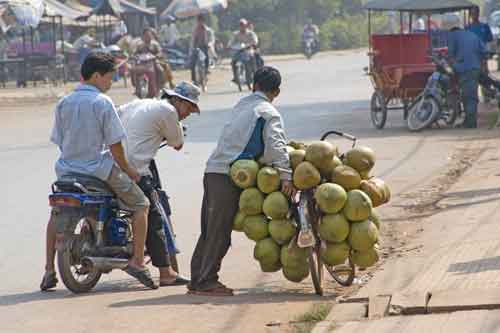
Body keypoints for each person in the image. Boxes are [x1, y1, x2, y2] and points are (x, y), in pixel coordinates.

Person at [40, 52, 156, 291]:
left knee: (55, 214)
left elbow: (60, 140)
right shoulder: (102, 102)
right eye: (110, 77)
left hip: (67, 172)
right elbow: (115, 146)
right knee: (141, 204)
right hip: (98, 171)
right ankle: (137, 262)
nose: (111, 82)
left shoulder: (64, 102)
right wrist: (130, 171)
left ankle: (49, 270)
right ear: (96, 76)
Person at [188, 66, 295, 296]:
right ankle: (205, 281)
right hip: (228, 175)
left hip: (213, 171)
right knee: (219, 232)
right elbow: (276, 145)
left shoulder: (242, 104)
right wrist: (286, 175)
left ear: (253, 85)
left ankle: (197, 279)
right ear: (276, 91)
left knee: (210, 229)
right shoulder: (268, 112)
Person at [117, 82, 201, 286]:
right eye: (189, 107)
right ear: (178, 101)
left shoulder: (139, 103)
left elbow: (116, 116)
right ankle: (165, 272)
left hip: (112, 165)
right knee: (154, 214)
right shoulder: (169, 111)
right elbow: (178, 144)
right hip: (135, 169)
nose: (188, 113)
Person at [444, 13, 487, 128]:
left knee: (468, 96)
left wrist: (453, 67)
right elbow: (484, 51)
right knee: (470, 95)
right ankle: (468, 121)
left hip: (465, 69)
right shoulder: (471, 34)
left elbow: (450, 55)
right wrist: (481, 67)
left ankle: (470, 123)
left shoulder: (452, 36)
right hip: (475, 68)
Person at [467, 6, 495, 101]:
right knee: (473, 79)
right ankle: (474, 99)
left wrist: (488, 53)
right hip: (471, 58)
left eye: (476, 13)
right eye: (472, 13)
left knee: (485, 78)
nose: (474, 15)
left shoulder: (484, 26)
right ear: (470, 15)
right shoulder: (467, 28)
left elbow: (490, 40)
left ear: (479, 14)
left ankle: (487, 97)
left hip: (482, 58)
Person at [134, 28, 174, 93]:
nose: (148, 37)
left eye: (149, 35)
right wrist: (135, 56)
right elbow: (135, 53)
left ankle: (162, 85)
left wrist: (157, 55)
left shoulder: (155, 44)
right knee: (134, 70)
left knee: (160, 70)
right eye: (146, 35)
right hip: (143, 63)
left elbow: (160, 52)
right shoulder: (140, 45)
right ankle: (137, 88)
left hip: (154, 62)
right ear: (143, 36)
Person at [228, 18, 259, 84]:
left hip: (248, 50)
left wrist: (253, 44)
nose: (242, 26)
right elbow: (231, 41)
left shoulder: (250, 33)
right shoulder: (236, 34)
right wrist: (229, 46)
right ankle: (235, 77)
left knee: (252, 60)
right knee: (233, 62)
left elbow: (255, 41)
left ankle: (255, 74)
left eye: (243, 25)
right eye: (240, 25)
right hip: (239, 51)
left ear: (246, 25)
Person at [190, 15, 214, 82]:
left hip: (205, 47)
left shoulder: (208, 30)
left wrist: (209, 44)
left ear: (203, 21)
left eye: (201, 21)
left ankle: (206, 70)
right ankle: (194, 80)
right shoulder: (195, 30)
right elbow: (193, 40)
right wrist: (193, 47)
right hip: (197, 47)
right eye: (198, 21)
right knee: (192, 63)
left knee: (206, 57)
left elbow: (212, 40)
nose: (200, 22)